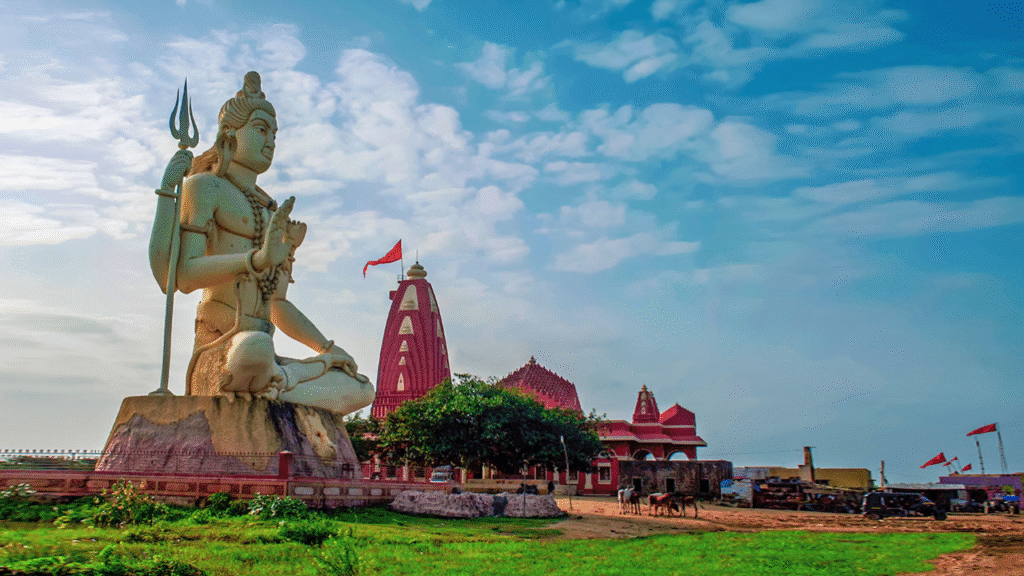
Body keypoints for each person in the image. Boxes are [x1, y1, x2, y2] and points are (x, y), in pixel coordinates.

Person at [150, 71, 374, 415]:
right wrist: (255, 259)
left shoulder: (272, 213)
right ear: (230, 134)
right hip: (223, 351)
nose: (270, 141)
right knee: (252, 348)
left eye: (274, 134)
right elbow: (182, 277)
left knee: (361, 387)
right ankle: (281, 383)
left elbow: (277, 305)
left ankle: (276, 385)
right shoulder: (205, 186)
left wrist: (327, 349)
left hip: (263, 356)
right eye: (260, 129)